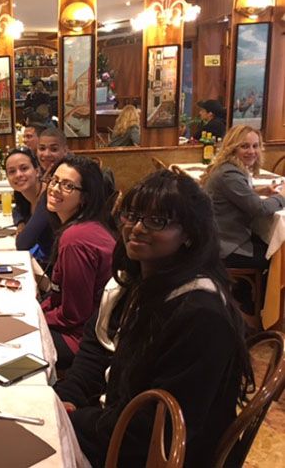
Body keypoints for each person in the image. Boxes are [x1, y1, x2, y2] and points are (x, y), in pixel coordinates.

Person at [55, 170, 253, 467]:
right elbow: (95, 346)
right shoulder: (136, 281)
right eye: (131, 215)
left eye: (156, 221)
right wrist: (67, 396)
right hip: (114, 422)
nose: (136, 228)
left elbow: (155, 431)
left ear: (189, 234)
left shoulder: (200, 316)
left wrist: (74, 420)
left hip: (159, 454)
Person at [41, 155, 115, 369]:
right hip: (83, 328)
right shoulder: (88, 226)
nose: (54, 189)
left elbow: (74, 315)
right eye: (54, 180)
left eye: (67, 186)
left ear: (85, 198)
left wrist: (36, 318)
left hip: (83, 341)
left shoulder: (76, 240)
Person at [201, 125, 285, 311]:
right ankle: (258, 311)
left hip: (219, 237)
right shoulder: (229, 173)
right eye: (245, 146)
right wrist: (281, 197)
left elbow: (236, 193)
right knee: (277, 258)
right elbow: (260, 209)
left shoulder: (228, 169)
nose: (252, 151)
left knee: (269, 246)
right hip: (224, 246)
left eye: (256, 146)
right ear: (233, 147)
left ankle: (248, 300)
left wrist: (261, 190)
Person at [4, 147, 53, 265]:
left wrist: (23, 230)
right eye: (12, 171)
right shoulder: (21, 194)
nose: (18, 175)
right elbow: (16, 210)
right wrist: (21, 223)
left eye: (24, 168)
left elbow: (23, 244)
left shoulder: (48, 197)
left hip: (55, 267)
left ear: (37, 171)